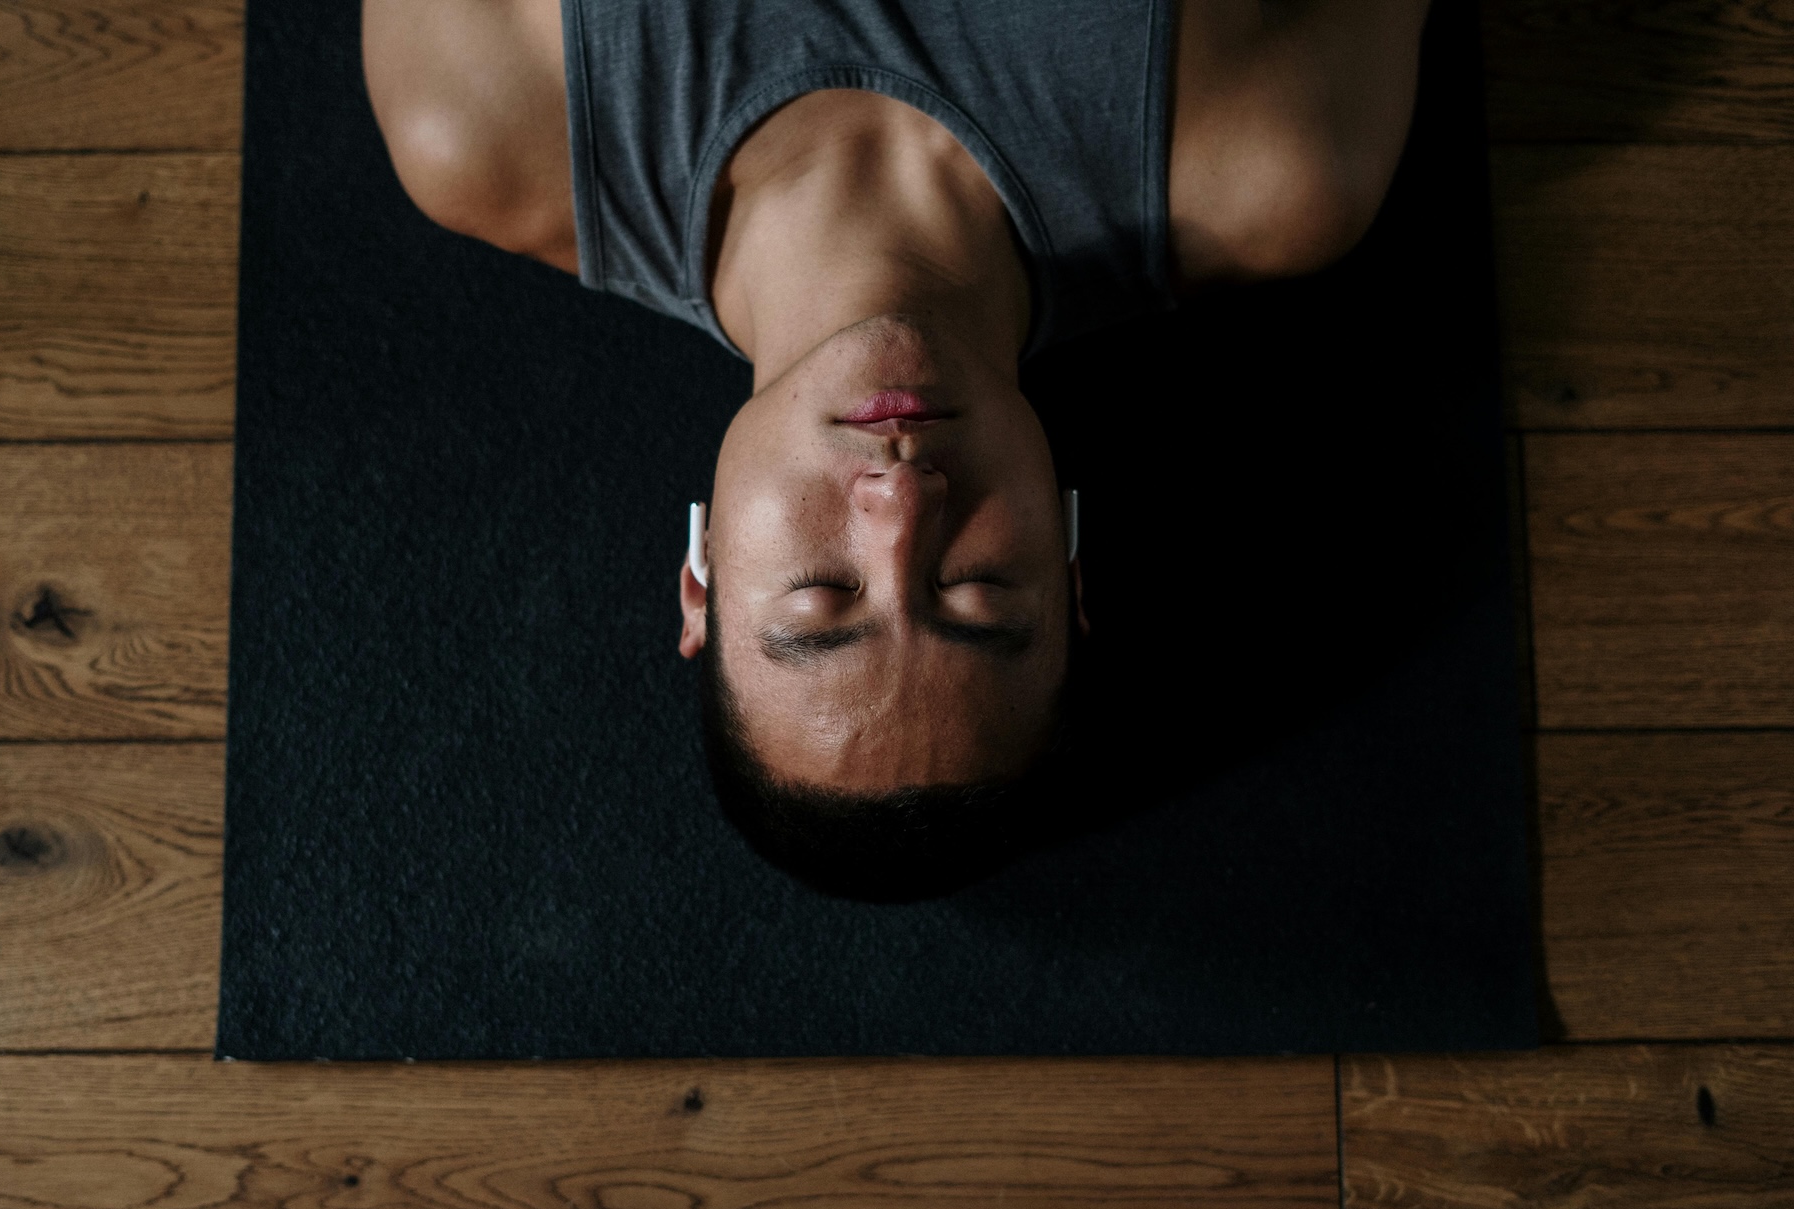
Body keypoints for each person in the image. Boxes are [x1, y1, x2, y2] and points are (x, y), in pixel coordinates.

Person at [362, 0, 1430, 890]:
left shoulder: (489, 121)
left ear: (700, 580)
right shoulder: (1268, 155)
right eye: (973, 586)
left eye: (824, 591)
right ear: (1067, 575)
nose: (899, 501)